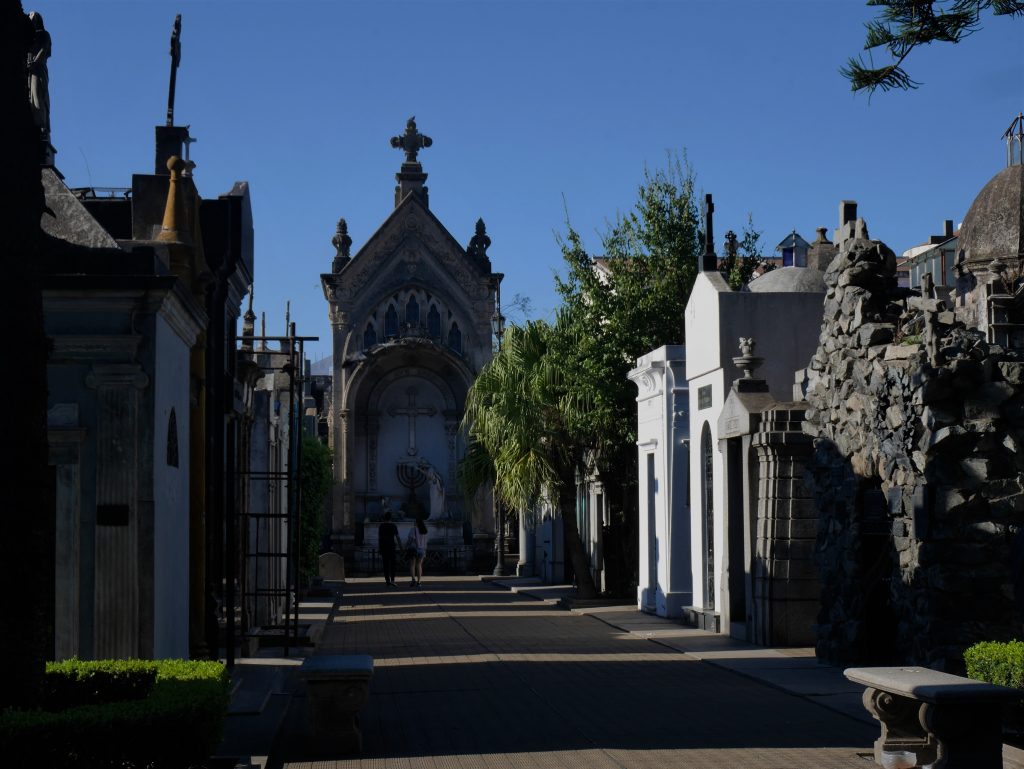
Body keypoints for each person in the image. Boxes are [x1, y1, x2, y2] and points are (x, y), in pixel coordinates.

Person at [377, 511, 401, 587]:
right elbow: (397, 537)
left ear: (384, 518)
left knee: (385, 564)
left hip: (384, 547)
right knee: (393, 564)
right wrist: (401, 547)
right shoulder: (393, 526)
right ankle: (393, 580)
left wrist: (379, 548)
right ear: (391, 518)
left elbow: (380, 538)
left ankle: (387, 580)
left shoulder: (381, 526)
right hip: (392, 546)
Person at [407, 517, 428, 588]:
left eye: (415, 521)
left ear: (416, 523)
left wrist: (407, 545)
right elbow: (425, 542)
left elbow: (410, 539)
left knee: (412, 565)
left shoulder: (413, 529)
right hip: (422, 550)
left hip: (414, 549)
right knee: (419, 565)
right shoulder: (424, 531)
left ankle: (413, 579)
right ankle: (419, 582)